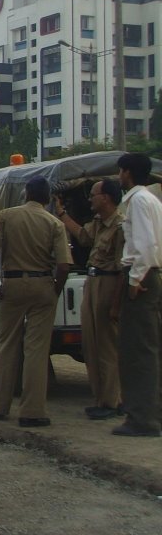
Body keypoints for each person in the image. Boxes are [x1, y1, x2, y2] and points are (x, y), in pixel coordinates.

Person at [0, 175, 72, 427]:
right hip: (42, 284)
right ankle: (32, 412)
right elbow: (64, 266)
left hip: (11, 285)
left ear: (26, 193)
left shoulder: (6, 216)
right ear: (46, 198)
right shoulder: (55, 223)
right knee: (35, 349)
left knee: (6, 344)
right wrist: (55, 289)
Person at [57, 179, 125, 420]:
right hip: (93, 280)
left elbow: (122, 270)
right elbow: (83, 236)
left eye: (94, 195)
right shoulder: (99, 223)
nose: (90, 199)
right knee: (91, 344)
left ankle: (112, 401)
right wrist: (62, 213)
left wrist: (116, 304)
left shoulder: (120, 226)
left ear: (106, 197)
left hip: (108, 282)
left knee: (107, 346)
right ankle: (101, 398)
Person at [113, 152, 162, 438]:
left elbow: (145, 245)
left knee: (137, 351)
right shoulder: (152, 199)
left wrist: (134, 279)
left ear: (128, 173)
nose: (119, 177)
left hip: (141, 277)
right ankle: (150, 413)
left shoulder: (138, 201)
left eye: (120, 172)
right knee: (150, 347)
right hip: (150, 275)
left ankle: (142, 419)